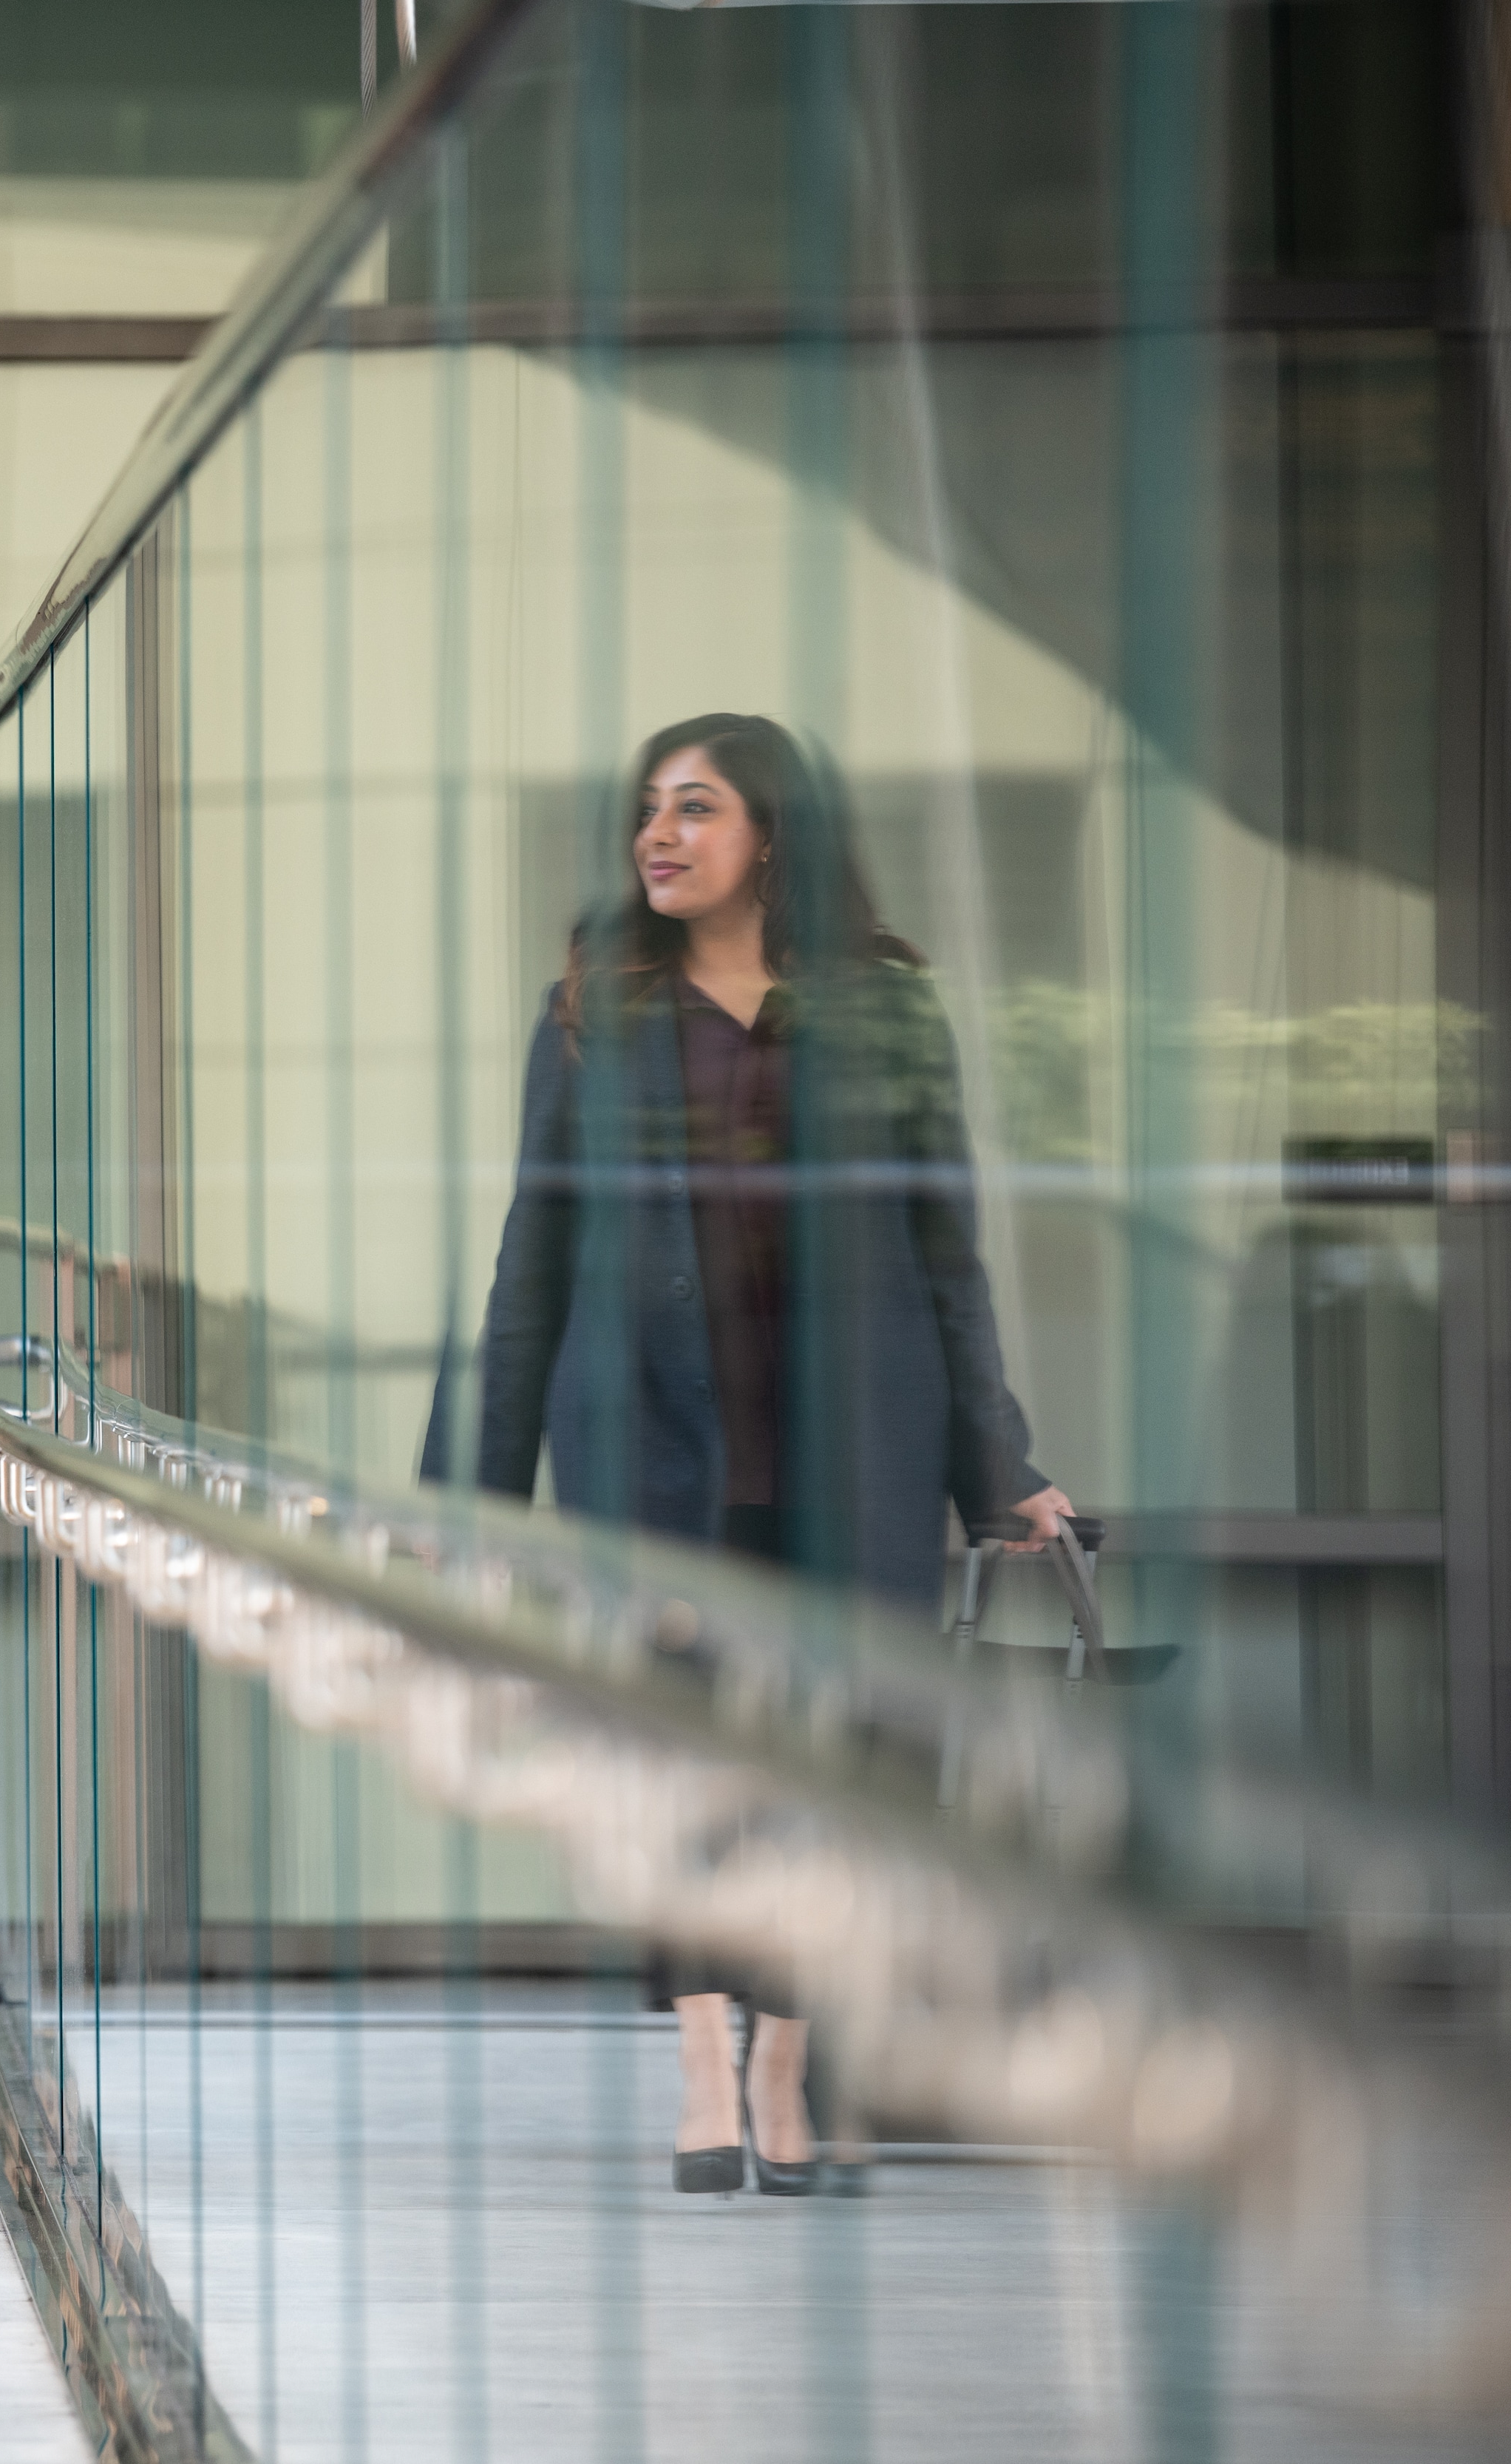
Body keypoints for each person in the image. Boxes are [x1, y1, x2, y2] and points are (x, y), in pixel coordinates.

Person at [446, 713, 1070, 2196]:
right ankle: (697, 2068)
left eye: (694, 808)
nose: (657, 836)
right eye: (646, 811)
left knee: (829, 1767)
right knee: (676, 1762)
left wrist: (999, 1461)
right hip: (650, 1449)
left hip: (850, 1447)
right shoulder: (591, 1009)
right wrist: (482, 1493)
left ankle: (786, 2063)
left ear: (771, 835)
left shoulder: (882, 1013)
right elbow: (532, 1255)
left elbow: (944, 1251)